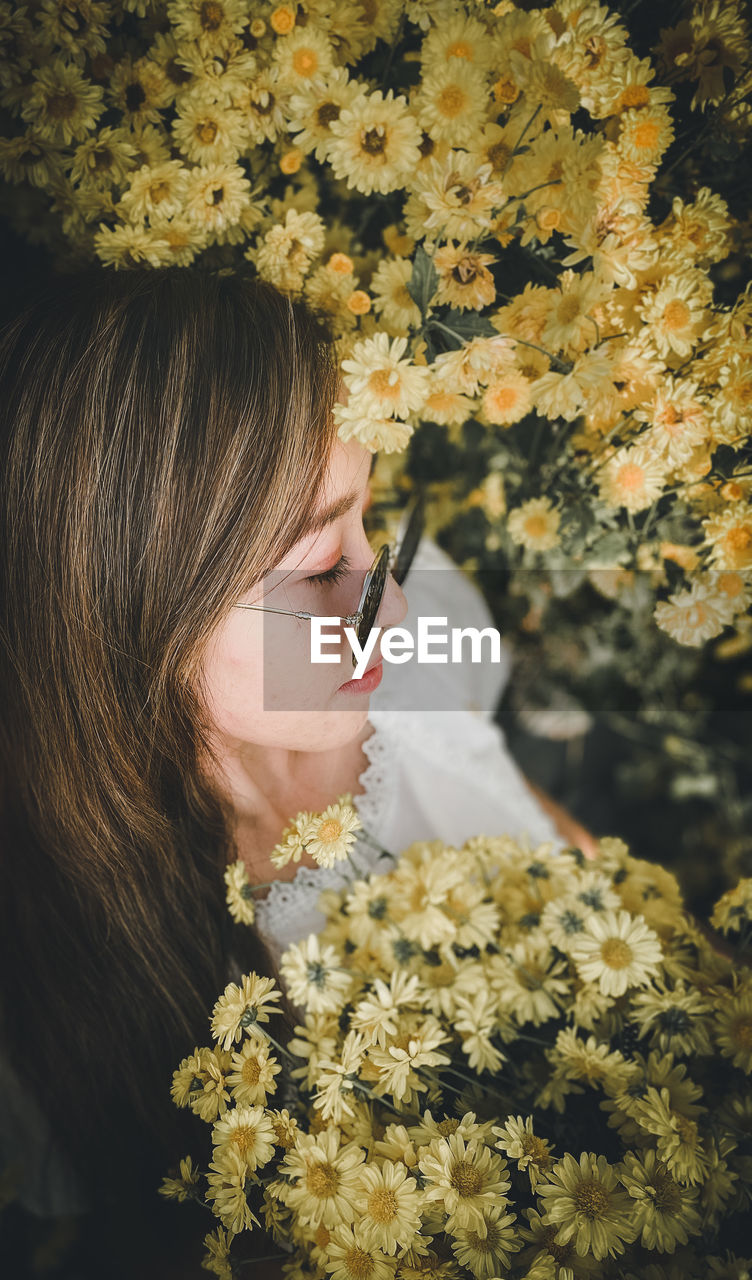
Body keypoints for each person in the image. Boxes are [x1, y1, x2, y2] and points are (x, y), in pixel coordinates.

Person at [0, 265, 597, 1276]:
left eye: (374, 518)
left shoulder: (409, 637)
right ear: (128, 617)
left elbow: (533, 822)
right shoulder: (44, 1012)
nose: (392, 606)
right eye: (322, 567)